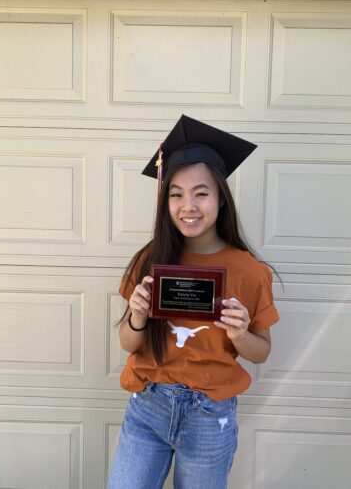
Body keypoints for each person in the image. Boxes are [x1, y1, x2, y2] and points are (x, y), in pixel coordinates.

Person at [107, 115, 279, 489]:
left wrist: (239, 333)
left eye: (201, 193)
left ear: (220, 198)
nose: (189, 205)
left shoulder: (249, 271)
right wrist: (137, 315)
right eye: (176, 194)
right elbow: (128, 343)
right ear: (165, 201)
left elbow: (261, 351)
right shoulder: (150, 259)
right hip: (147, 408)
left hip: (209, 416)